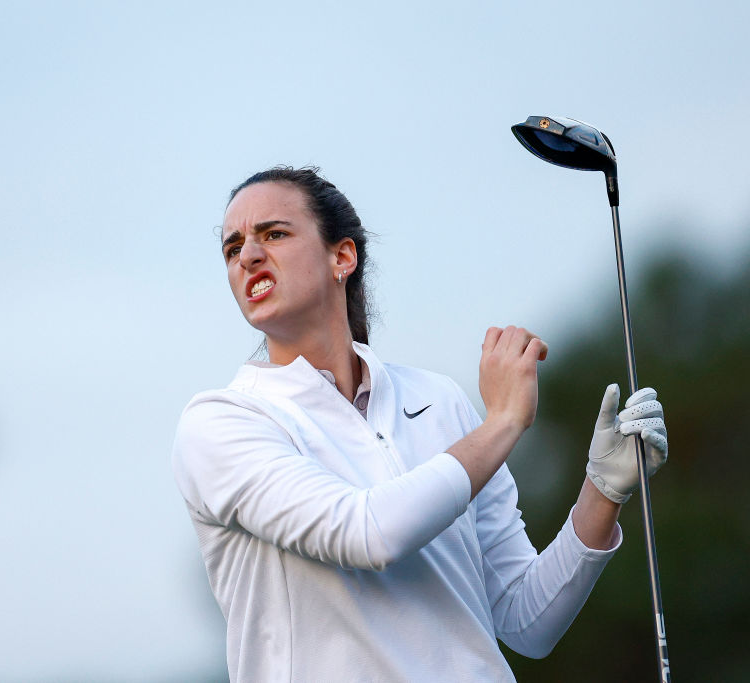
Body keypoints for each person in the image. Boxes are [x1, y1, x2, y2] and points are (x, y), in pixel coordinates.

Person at [171, 166, 667, 682]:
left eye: (274, 234)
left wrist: (602, 489)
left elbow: (528, 621)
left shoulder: (438, 400)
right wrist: (504, 422)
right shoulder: (222, 422)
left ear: (342, 257)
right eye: (233, 248)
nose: (248, 255)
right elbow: (366, 534)